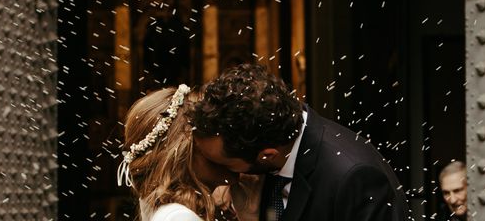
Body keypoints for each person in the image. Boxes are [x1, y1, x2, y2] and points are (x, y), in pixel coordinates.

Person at [188, 63, 410, 221]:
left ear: (267, 155)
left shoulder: (353, 178)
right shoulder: (268, 162)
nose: (222, 176)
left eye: (223, 164)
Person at [117, 84, 246, 221]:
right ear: (184, 151)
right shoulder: (179, 217)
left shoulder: (169, 209)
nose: (227, 145)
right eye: (211, 134)